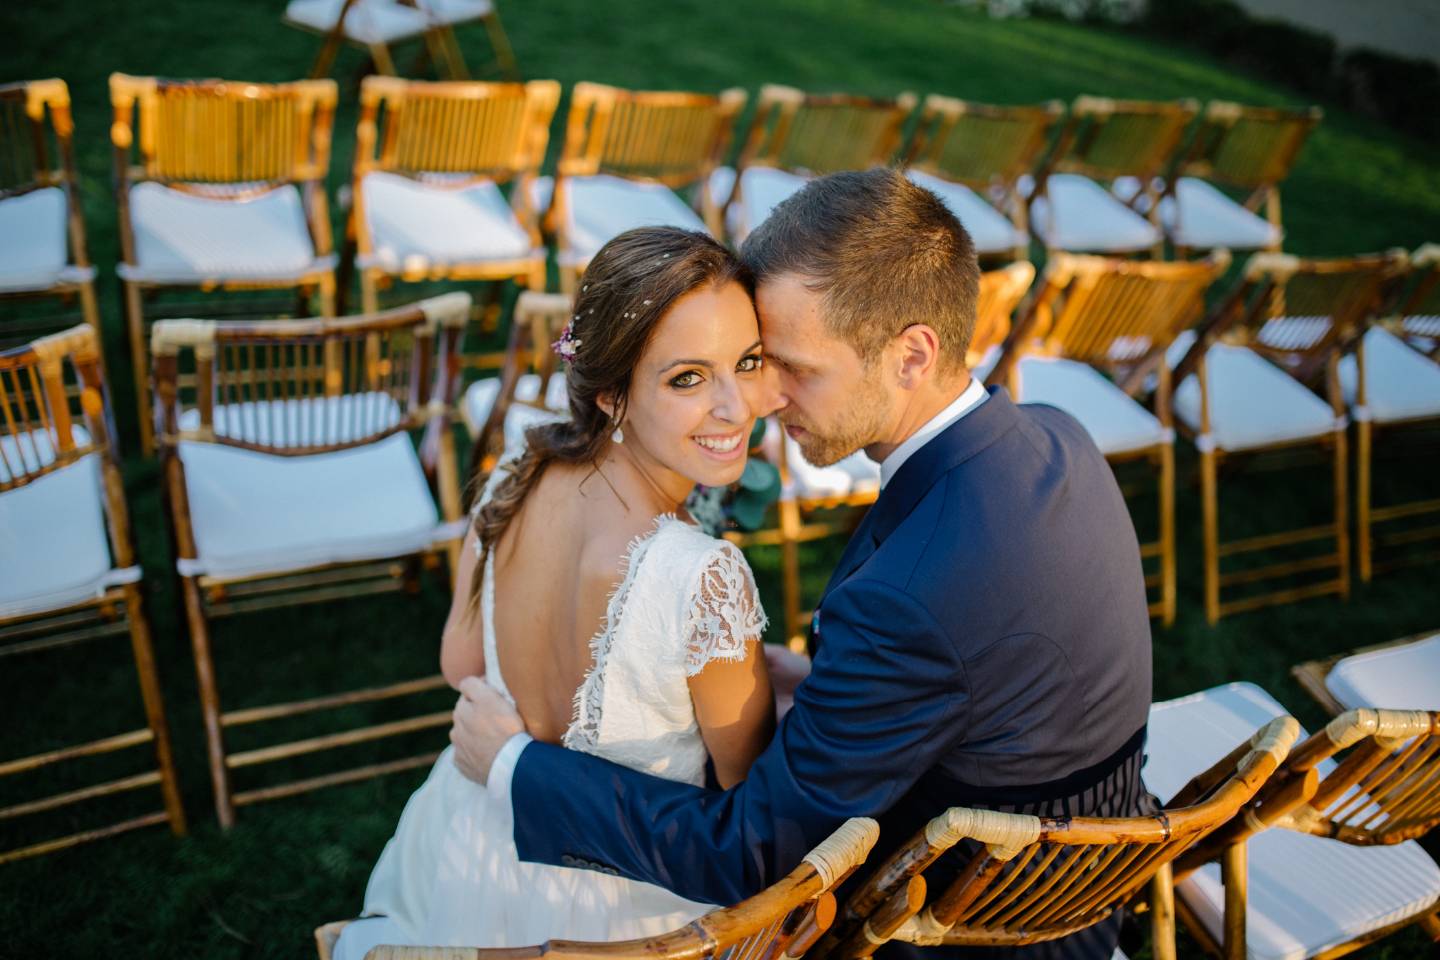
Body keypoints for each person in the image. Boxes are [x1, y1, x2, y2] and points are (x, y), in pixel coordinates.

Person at [450, 168, 1155, 960]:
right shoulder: (1057, 438)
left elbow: (756, 852)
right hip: (1089, 873)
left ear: (911, 355)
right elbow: (991, 667)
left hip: (969, 925)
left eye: (793, 367)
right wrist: (834, 689)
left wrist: (515, 767)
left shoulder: (912, 597)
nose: (764, 398)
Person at [333, 227, 780, 959]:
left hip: (475, 842)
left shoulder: (520, 461)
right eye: (688, 379)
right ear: (611, 393)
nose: (736, 408)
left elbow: (460, 664)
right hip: (628, 911)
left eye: (747, 362)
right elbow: (749, 796)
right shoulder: (705, 578)